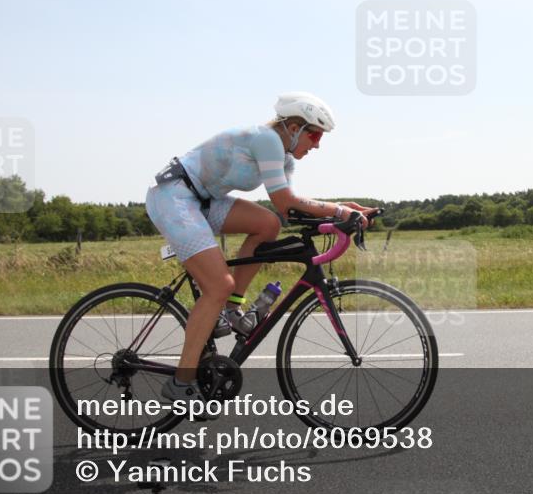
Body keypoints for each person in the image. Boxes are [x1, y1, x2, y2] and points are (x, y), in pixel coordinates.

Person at [145, 92, 374, 412]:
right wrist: (338, 212)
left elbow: (287, 210)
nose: (318, 144)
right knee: (218, 285)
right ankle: (180, 382)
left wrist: (342, 212)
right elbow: (285, 202)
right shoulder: (266, 140)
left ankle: (230, 310)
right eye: (315, 134)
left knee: (267, 225)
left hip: (202, 201)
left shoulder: (284, 158)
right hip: (174, 198)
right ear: (294, 126)